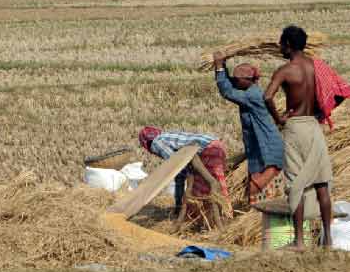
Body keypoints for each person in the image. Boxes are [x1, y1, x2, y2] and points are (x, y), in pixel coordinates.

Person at [264, 25, 337, 247]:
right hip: (314, 126)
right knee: (322, 184)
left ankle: (299, 241)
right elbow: (341, 90)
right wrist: (322, 111)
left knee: (297, 183)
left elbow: (267, 96)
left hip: (295, 128)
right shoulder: (318, 67)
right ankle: (328, 239)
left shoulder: (285, 70)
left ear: (288, 44)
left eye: (281, 43)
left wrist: (278, 119)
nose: (279, 47)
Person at [213, 53, 284, 203]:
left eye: (237, 80)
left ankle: (253, 213)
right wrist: (222, 65)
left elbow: (227, 91)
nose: (235, 82)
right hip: (260, 147)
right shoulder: (250, 89)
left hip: (268, 148)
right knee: (260, 186)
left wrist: (219, 67)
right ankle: (256, 213)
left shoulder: (252, 95)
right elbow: (230, 84)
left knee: (259, 186)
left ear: (247, 80)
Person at [138, 127, 230, 217]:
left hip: (207, 149)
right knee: (211, 183)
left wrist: (179, 202)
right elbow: (180, 168)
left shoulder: (156, 143)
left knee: (208, 185)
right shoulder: (166, 136)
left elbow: (177, 165)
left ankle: (220, 216)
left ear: (146, 143)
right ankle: (220, 214)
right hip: (216, 144)